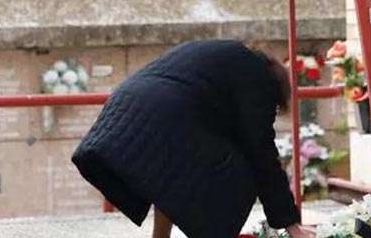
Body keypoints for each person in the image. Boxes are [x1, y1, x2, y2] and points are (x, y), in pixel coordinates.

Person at [72, 40, 301, 238]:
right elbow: (262, 153)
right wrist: (291, 225)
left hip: (126, 109)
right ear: (275, 90)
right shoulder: (258, 79)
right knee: (238, 172)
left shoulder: (224, 59)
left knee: (174, 177)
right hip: (165, 115)